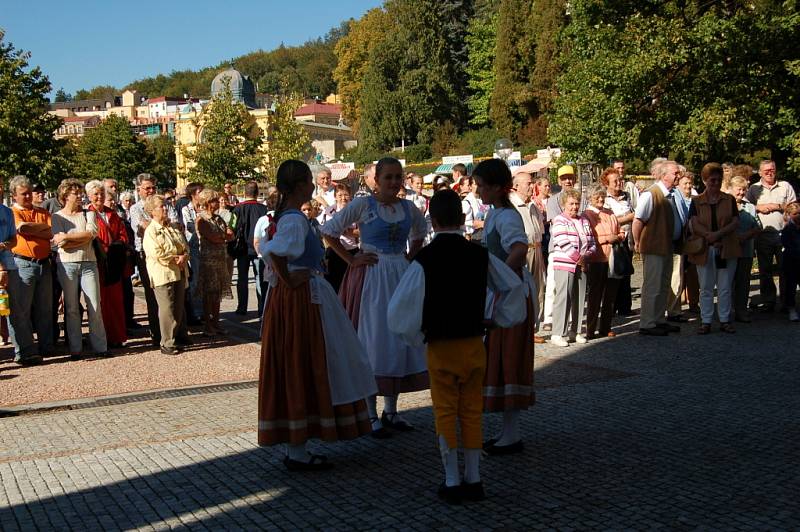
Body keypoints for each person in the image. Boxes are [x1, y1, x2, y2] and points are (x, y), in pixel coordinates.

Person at [388, 189, 525, 504]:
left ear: (432, 221)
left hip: (440, 346)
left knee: (446, 412)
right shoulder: (480, 255)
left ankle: (452, 479)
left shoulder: (424, 260)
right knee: (471, 411)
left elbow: (399, 311)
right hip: (474, 345)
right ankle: (475, 478)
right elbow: (513, 285)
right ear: (464, 219)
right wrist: (497, 319)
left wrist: (418, 336)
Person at [258, 159, 376, 471]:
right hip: (301, 299)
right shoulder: (295, 219)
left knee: (300, 362)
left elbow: (273, 249)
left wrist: (286, 278)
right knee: (306, 361)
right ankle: (298, 449)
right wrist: (290, 277)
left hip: (297, 297)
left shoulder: (287, 216)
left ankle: (297, 444)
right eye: (309, 182)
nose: (313, 186)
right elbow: (273, 251)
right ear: (299, 186)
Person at [321, 157, 428, 437]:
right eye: (389, 177)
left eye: (398, 177)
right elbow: (329, 231)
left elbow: (421, 231)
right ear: (376, 180)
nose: (394, 182)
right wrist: (352, 259)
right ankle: (370, 415)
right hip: (371, 275)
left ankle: (390, 411)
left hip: (399, 274)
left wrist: (410, 256)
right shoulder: (363, 205)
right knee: (373, 339)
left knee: (399, 338)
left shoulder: (408, 207)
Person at [472, 158, 535, 455]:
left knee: (508, 359)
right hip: (504, 294)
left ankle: (512, 435)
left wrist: (502, 282)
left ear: (497, 188)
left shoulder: (507, 217)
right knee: (500, 358)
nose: (478, 190)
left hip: (510, 297)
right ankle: (509, 432)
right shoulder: (497, 213)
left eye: (482, 186)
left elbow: (519, 249)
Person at [51, 178, 108, 358]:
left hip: (89, 262)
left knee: (94, 305)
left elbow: (91, 233)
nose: (80, 197)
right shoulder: (57, 217)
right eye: (76, 193)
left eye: (80, 193)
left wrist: (68, 237)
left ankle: (100, 346)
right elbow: (59, 244)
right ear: (65, 196)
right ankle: (75, 348)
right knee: (71, 308)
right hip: (66, 264)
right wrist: (78, 238)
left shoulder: (88, 214)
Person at [687, 163, 741, 334]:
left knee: (725, 286)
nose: (716, 183)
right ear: (705, 181)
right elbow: (693, 223)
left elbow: (735, 221)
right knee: (706, 287)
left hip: (726, 248)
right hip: (705, 249)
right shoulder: (696, 201)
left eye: (718, 180)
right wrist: (709, 235)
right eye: (712, 180)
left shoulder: (729, 199)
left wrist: (718, 234)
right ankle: (706, 320)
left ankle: (724, 320)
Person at [632, 160, 684, 336]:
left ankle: (659, 319)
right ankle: (647, 323)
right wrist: (638, 243)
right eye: (675, 173)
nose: (679, 175)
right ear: (664, 175)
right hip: (654, 247)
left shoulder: (670, 194)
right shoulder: (650, 195)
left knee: (663, 285)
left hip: (667, 246)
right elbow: (638, 221)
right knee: (653, 286)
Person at [7, 175, 53, 366]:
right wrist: (39, 230)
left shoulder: (42, 212)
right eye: (23, 194)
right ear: (14, 196)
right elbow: (21, 228)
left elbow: (50, 232)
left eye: (29, 193)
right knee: (20, 310)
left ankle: (46, 346)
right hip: (21, 264)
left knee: (45, 309)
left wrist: (33, 229)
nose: (27, 197)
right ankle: (25, 349)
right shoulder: (11, 213)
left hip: (44, 263)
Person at [129, 173, 177, 345]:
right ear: (139, 189)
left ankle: (173, 333)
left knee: (174, 294)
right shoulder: (135, 209)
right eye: (147, 188)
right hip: (146, 254)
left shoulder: (166, 204)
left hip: (171, 253)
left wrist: (160, 223)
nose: (150, 191)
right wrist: (163, 223)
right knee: (153, 295)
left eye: (153, 188)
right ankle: (157, 334)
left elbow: (177, 224)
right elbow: (143, 228)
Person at [142, 195, 191, 355]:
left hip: (179, 271)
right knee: (166, 308)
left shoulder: (172, 227)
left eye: (165, 206)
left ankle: (174, 337)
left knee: (178, 307)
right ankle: (166, 342)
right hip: (163, 273)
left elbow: (184, 245)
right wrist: (176, 257)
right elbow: (157, 253)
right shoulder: (151, 231)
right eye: (161, 207)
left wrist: (184, 256)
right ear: (152, 212)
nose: (165, 209)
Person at [746, 160, 797, 312]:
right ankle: (768, 301)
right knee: (765, 270)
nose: (769, 172)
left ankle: (787, 302)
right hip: (763, 236)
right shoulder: (754, 189)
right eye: (766, 170)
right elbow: (745, 206)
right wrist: (758, 207)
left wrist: (779, 206)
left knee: (786, 269)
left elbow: (795, 208)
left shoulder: (785, 186)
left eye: (772, 170)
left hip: (784, 235)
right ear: (760, 172)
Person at [549, 188, 596, 346]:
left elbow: (592, 243)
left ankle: (575, 331)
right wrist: (579, 259)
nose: (574, 207)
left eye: (577, 203)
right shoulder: (559, 220)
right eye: (571, 204)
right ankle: (558, 333)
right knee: (564, 297)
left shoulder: (584, 220)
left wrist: (587, 256)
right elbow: (563, 243)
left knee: (580, 297)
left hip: (583, 264)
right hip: (565, 264)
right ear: (563, 205)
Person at [86, 180, 128, 348]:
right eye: (95, 194)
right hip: (97, 261)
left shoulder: (112, 213)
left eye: (101, 193)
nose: (99, 197)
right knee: (100, 301)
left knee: (116, 300)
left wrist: (119, 245)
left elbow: (122, 233)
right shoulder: (87, 214)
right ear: (89, 196)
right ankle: (103, 338)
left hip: (114, 260)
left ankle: (117, 336)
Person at [542, 165, 580, 331]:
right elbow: (558, 220)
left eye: (570, 177)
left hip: (577, 247)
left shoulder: (582, 198)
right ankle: (549, 318)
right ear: (559, 180)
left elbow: (581, 218)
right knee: (552, 284)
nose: (568, 181)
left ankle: (569, 317)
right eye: (564, 178)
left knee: (572, 286)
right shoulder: (553, 200)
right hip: (557, 247)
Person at [583, 185, 624, 339]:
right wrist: (607, 238)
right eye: (596, 197)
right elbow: (589, 238)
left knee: (610, 295)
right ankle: (590, 329)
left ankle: (606, 327)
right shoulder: (587, 215)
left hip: (613, 258)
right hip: (597, 259)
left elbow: (620, 230)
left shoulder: (610, 213)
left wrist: (620, 236)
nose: (600, 199)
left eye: (602, 196)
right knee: (595, 295)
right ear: (590, 199)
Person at [511, 172, 544, 343]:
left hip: (536, 249)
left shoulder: (533, 205)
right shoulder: (512, 206)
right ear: (516, 186)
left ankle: (533, 328)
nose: (532, 186)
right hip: (523, 251)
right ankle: (523, 329)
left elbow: (540, 230)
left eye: (533, 183)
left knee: (538, 290)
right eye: (528, 183)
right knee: (524, 290)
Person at [195, 189, 234, 336]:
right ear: (207, 202)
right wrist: (223, 236)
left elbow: (231, 235)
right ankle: (208, 325)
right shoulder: (202, 219)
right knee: (209, 294)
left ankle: (216, 323)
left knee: (218, 294)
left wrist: (223, 236)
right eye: (214, 200)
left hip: (221, 259)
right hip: (208, 261)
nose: (218, 203)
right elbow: (213, 237)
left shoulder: (219, 218)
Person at [602, 167, 635, 317]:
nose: (619, 183)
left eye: (620, 180)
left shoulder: (627, 196)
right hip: (613, 240)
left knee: (626, 272)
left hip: (627, 239)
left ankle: (625, 307)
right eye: (615, 181)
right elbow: (609, 220)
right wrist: (627, 217)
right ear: (606, 183)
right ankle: (611, 307)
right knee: (613, 274)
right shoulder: (604, 199)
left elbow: (636, 213)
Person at [232, 181, 268, 316]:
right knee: (260, 278)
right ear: (257, 193)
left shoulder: (237, 209)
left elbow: (232, 227)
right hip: (259, 248)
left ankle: (242, 307)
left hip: (242, 249)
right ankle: (261, 307)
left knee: (242, 278)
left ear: (244, 192)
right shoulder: (263, 209)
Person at [729, 175, 761, 322]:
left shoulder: (750, 206)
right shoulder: (725, 205)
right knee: (727, 282)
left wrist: (747, 235)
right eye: (738, 189)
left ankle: (741, 311)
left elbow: (757, 226)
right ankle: (726, 312)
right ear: (730, 189)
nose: (741, 193)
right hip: (728, 251)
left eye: (744, 190)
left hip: (746, 250)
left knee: (743, 282)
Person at [666, 167, 694, 323]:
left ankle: (674, 310)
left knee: (677, 277)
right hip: (665, 242)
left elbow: (684, 216)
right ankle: (666, 310)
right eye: (675, 174)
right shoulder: (662, 193)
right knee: (666, 277)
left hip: (677, 242)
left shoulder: (677, 194)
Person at [322, 184, 358, 292]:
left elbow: (361, 231)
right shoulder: (330, 211)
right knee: (336, 284)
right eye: (340, 195)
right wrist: (348, 231)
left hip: (353, 249)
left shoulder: (356, 210)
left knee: (352, 285)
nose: (343, 198)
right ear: (335, 196)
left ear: (350, 195)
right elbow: (331, 233)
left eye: (346, 195)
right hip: (336, 251)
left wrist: (348, 231)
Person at [675, 172, 700, 313]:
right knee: (678, 272)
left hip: (693, 240)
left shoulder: (696, 200)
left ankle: (694, 302)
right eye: (685, 183)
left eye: (690, 183)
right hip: (679, 240)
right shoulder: (675, 199)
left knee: (692, 273)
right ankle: (678, 302)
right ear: (679, 184)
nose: (688, 186)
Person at [181, 182, 204, 324]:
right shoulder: (186, 209)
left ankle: (205, 311)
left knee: (205, 280)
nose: (202, 194)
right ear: (193, 194)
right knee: (195, 280)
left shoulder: (203, 207)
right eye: (200, 191)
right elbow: (190, 226)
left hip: (205, 246)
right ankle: (196, 312)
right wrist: (200, 222)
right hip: (193, 246)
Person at [0, 176, 18, 353]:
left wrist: (5, 245)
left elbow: (14, 239)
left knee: (9, 308)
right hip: (2, 267)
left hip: (9, 263)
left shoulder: (6, 211)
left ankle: (19, 349)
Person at [781, 202, 800, 322]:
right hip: (792, 261)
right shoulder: (787, 228)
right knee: (791, 286)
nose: (798, 216)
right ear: (789, 215)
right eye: (795, 214)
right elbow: (786, 244)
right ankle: (791, 308)